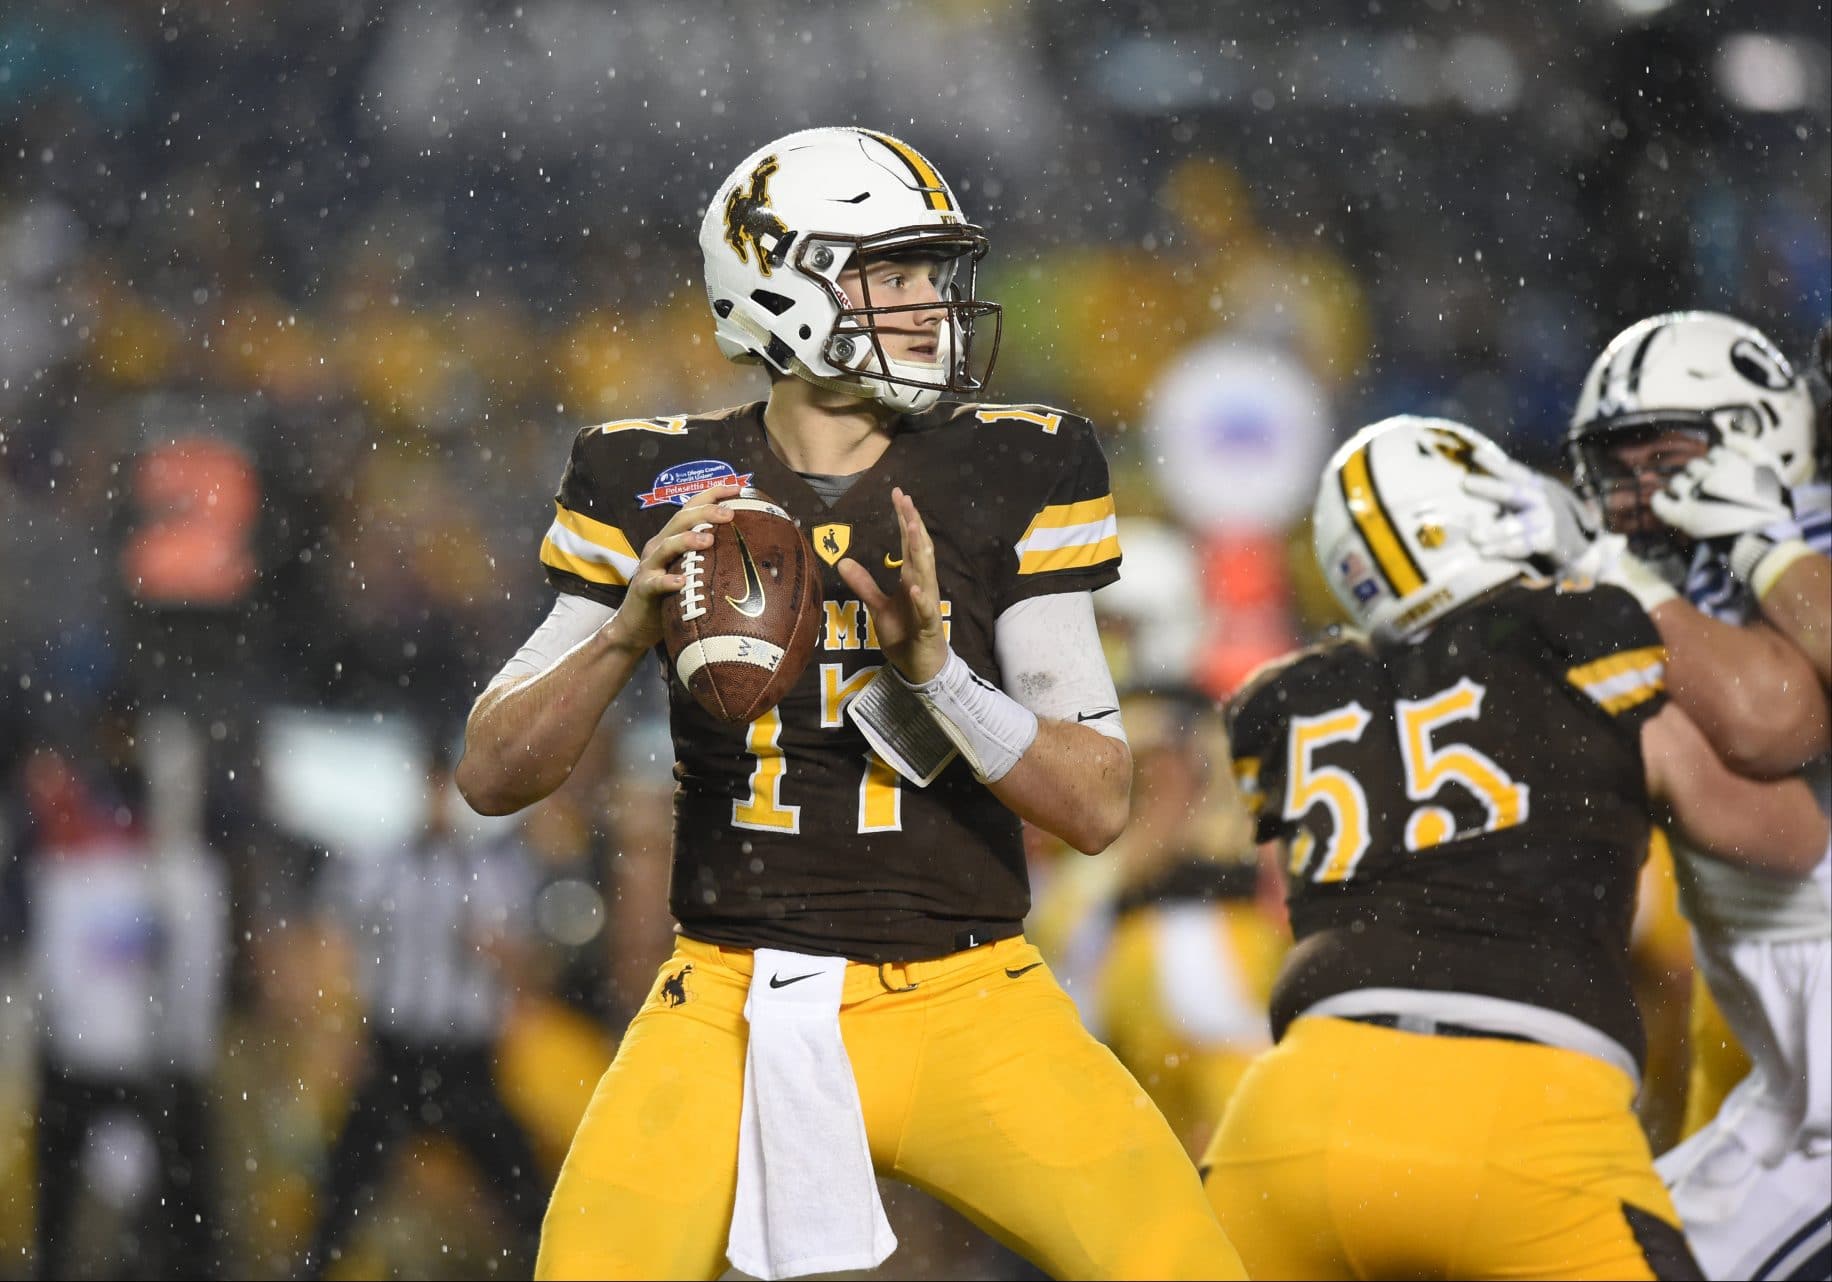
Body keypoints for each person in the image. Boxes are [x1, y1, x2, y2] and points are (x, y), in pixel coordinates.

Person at [456, 127, 1243, 1281]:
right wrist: (625, 631)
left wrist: (940, 680)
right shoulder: (645, 476)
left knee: (1183, 1267)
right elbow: (489, 772)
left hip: (970, 991)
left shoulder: (1014, 466)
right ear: (778, 285)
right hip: (726, 992)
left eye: (933, 273)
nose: (930, 303)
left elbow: (1095, 800)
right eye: (893, 274)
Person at [1199, 415, 1828, 1281]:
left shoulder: (1289, 696)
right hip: (1525, 1118)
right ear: (1490, 511)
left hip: (1290, 1126)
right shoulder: (1580, 641)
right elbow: (1785, 836)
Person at [1546, 311, 1832, 1282]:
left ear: (1758, 433)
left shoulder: (1791, 535)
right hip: (1783, 1059)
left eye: (1662, 459)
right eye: (1614, 465)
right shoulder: (1681, 563)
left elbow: (1769, 722)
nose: (1634, 493)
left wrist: (1761, 548)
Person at [299, 741, 547, 1278]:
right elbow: (338, 942)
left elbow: (525, 964)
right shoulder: (381, 867)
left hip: (467, 1059)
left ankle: (550, 1264)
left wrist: (502, 958)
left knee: (522, 1187)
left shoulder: (496, 872)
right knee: (342, 1189)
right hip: (397, 1051)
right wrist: (340, 1028)